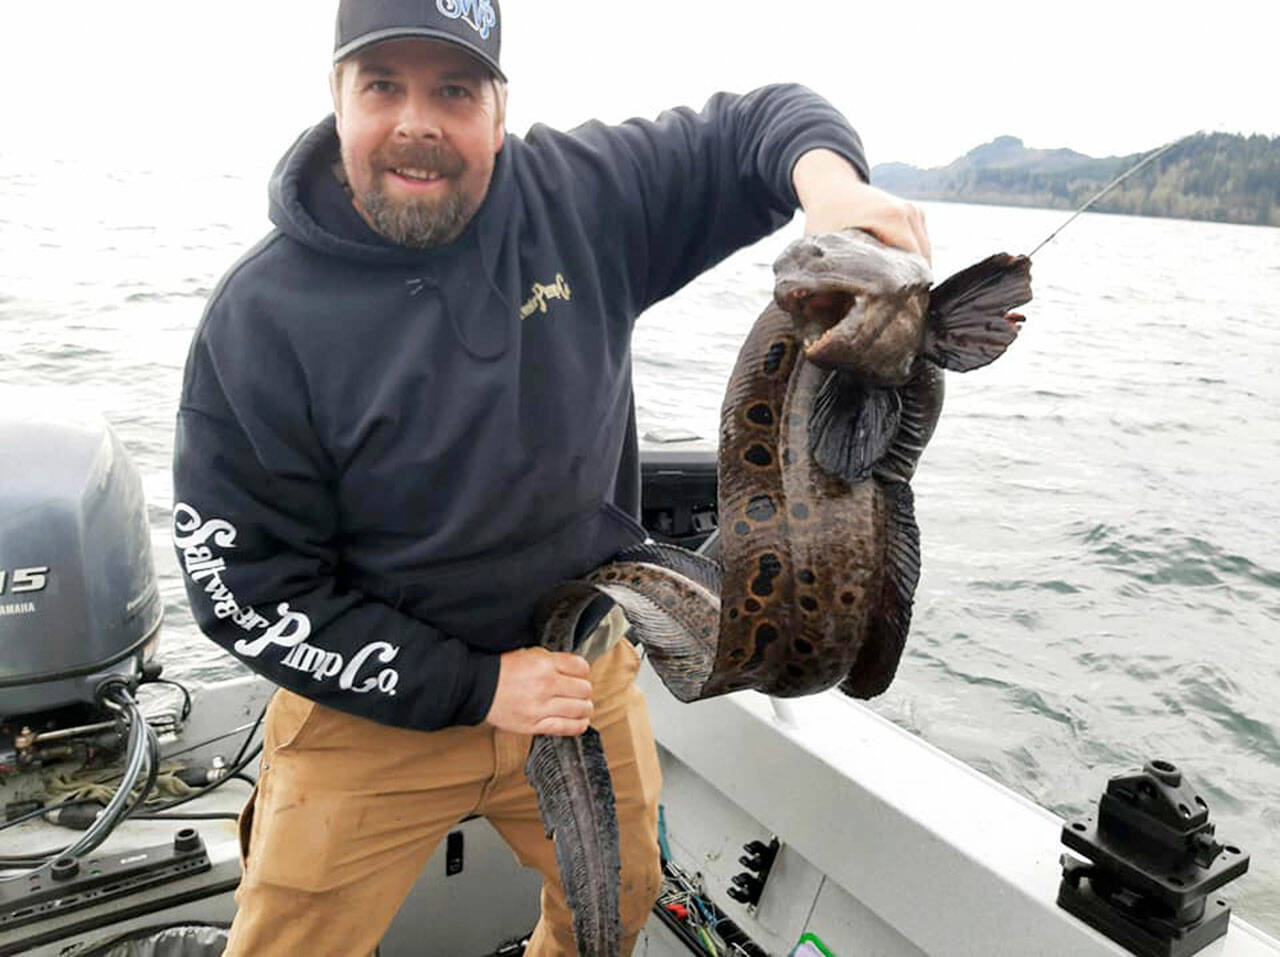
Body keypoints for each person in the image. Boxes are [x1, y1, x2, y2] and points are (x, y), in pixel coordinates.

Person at [172, 1, 931, 954]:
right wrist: (476, 685)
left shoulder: (583, 200)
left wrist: (834, 192)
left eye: (454, 90)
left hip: (579, 673)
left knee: (619, 900)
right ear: (337, 97)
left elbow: (757, 124)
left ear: (499, 108)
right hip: (374, 708)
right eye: (383, 86)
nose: (416, 122)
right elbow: (243, 589)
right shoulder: (259, 319)